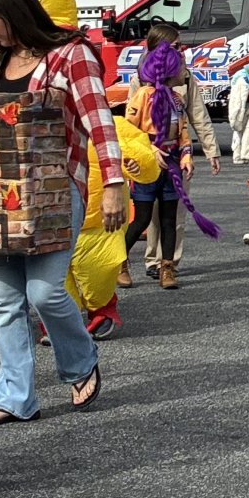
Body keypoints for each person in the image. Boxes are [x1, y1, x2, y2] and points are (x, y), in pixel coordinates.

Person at [0, 0, 121, 427]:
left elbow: (99, 120)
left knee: (45, 291)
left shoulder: (71, 54)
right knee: (5, 300)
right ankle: (14, 398)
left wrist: (113, 183)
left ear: (14, 14)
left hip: (54, 190)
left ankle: (80, 360)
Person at [124, 42, 221, 289]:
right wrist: (149, 149)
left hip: (171, 163)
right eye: (180, 68)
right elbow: (128, 131)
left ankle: (167, 268)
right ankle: (119, 263)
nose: (184, 72)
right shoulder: (142, 96)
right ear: (168, 70)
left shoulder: (177, 100)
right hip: (146, 165)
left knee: (169, 219)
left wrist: (186, 156)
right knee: (142, 218)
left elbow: (183, 133)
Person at [65, 115, 161, 337]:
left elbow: (145, 163)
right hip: (53, 220)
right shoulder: (43, 122)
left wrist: (134, 163)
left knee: (99, 275)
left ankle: (100, 311)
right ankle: (60, 324)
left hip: (100, 222)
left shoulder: (110, 123)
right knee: (53, 283)